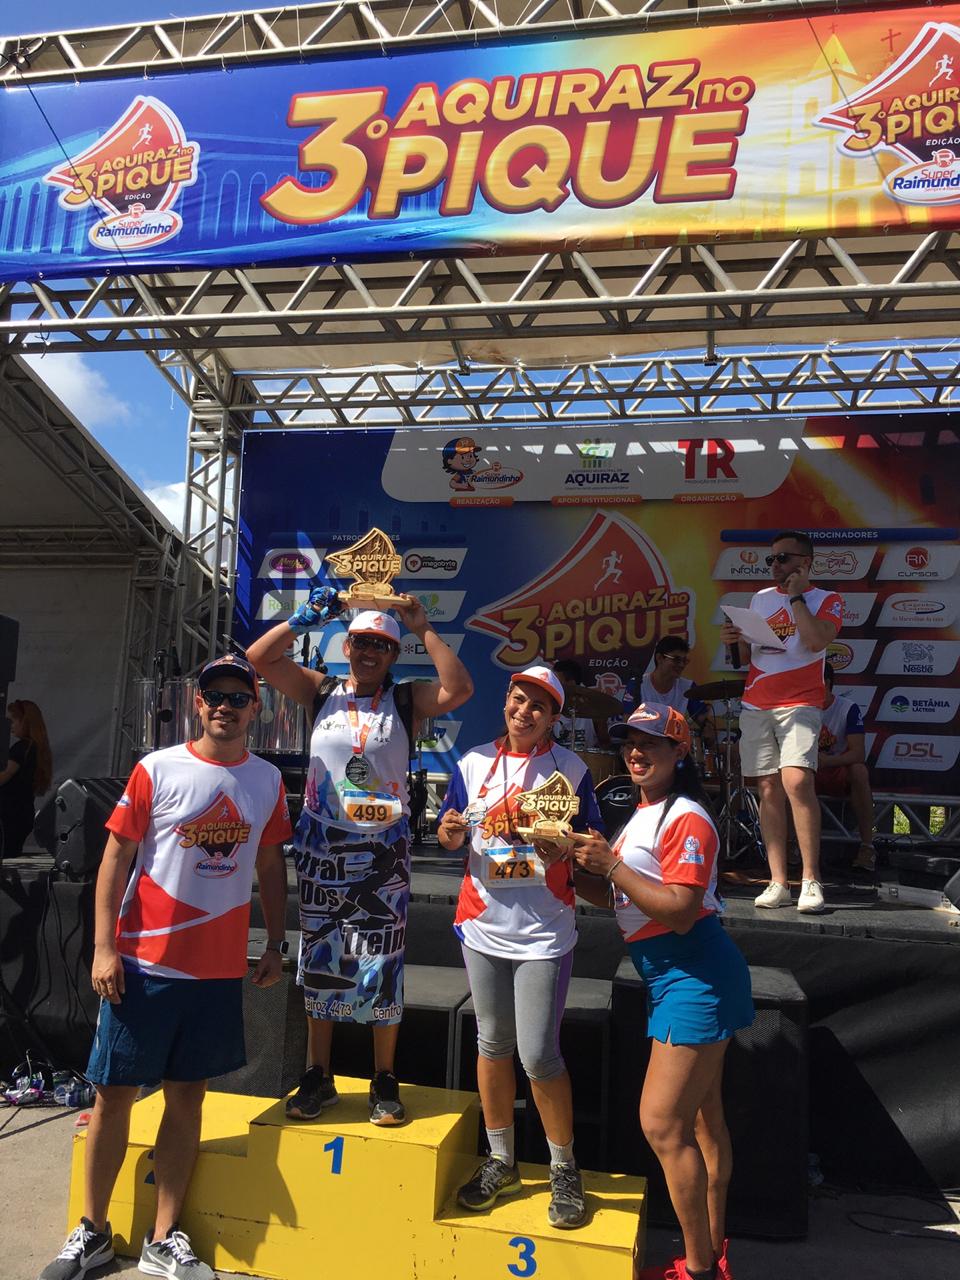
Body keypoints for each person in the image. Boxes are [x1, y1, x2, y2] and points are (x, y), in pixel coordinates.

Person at [39, 654, 291, 1280]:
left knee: (187, 1099)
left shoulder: (266, 781)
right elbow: (114, 859)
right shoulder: (157, 767)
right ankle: (92, 1231)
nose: (226, 706)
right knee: (113, 1097)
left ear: (256, 709)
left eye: (239, 696)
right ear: (198, 704)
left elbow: (269, 865)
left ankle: (163, 1237)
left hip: (216, 970)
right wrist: (103, 948)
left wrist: (274, 942)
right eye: (215, 696)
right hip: (144, 963)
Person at [247, 588, 473, 1126]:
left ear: (394, 655)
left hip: (382, 850)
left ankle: (384, 1077)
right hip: (322, 845)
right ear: (346, 646)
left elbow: (460, 689)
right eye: (362, 643)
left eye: (382, 646)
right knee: (321, 958)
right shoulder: (320, 690)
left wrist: (422, 627)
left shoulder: (405, 699)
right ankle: (317, 1074)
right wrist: (307, 617)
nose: (370, 653)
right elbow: (260, 658)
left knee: (381, 960)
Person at [570, 704, 753, 1280]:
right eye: (629, 742)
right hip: (677, 975)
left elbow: (678, 911)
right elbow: (624, 900)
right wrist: (574, 870)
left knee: (662, 1124)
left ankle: (698, 1269)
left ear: (679, 751)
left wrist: (611, 865)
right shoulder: (644, 815)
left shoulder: (687, 817)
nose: (636, 752)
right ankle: (715, 1253)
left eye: (651, 742)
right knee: (702, 1121)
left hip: (695, 974)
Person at [436, 665, 603, 1230]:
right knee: (492, 1043)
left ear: (554, 717)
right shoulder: (472, 762)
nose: (524, 711)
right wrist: (450, 832)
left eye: (538, 705)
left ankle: (563, 1168)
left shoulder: (571, 769)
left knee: (538, 1055)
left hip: (543, 932)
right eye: (517, 699)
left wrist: (566, 848)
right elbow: (450, 832)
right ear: (504, 701)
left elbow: (591, 842)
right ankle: (501, 1160)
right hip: (482, 925)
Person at [719, 530, 842, 914]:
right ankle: (778, 881)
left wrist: (797, 596)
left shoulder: (828, 599)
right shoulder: (759, 598)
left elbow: (816, 640)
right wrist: (733, 639)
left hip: (801, 702)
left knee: (797, 781)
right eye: (771, 559)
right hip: (757, 703)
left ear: (806, 562)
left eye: (783, 558)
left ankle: (811, 879)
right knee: (768, 788)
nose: (775, 565)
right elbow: (749, 656)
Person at [816, 663, 877, 873]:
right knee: (785, 774)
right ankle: (791, 845)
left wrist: (826, 761)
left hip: (835, 769)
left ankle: (867, 847)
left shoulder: (847, 708)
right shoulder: (799, 708)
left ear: (826, 683)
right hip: (807, 771)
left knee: (859, 771)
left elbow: (858, 753)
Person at [0, 699, 52, 858]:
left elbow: (4, 776)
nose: (10, 725)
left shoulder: (21, 748)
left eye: (13, 720)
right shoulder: (37, 748)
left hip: (10, 817)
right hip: (21, 814)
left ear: (25, 721)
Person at [551, 658, 610, 752]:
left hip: (586, 760)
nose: (553, 685)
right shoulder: (551, 706)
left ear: (571, 683)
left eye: (557, 682)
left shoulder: (594, 708)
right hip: (557, 759)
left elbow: (605, 744)